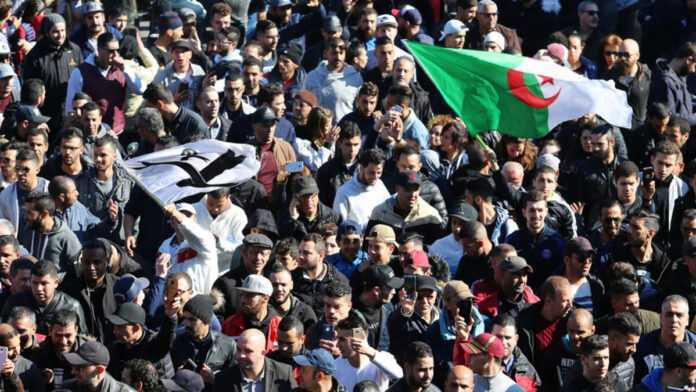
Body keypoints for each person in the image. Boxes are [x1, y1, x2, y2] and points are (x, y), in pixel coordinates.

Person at [65, 32, 144, 134]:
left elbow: (140, 89)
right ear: (99, 50)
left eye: (117, 50)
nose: (115, 55)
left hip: (118, 131)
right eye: (111, 51)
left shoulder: (122, 68)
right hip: (92, 133)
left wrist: (125, 68)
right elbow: (70, 108)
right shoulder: (80, 72)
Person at [22, 13, 81, 132]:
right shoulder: (35, 56)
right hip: (47, 114)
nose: (60, 35)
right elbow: (31, 90)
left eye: (63, 30)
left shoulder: (74, 50)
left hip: (71, 112)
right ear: (47, 32)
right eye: (55, 31)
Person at [2, 261, 87, 335]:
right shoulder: (16, 302)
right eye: (35, 283)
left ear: (56, 283)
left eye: (44, 283)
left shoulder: (71, 306)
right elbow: (3, 331)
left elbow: (82, 337)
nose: (39, 288)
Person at [170, 295, 236, 387]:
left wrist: (214, 380)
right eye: (185, 318)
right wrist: (176, 376)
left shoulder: (227, 345)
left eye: (192, 319)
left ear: (207, 321)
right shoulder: (176, 341)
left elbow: (234, 383)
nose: (186, 323)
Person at [505, 191, 566, 289]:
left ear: (546, 212)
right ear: (524, 212)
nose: (536, 215)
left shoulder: (557, 242)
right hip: (520, 295)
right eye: (532, 210)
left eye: (540, 210)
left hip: (547, 297)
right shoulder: (513, 240)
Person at [106, 301, 176, 380]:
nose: (115, 331)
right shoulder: (117, 347)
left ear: (136, 328)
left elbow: (166, 336)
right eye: (114, 326)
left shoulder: (154, 344)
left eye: (120, 327)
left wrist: (170, 317)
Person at [334, 311, 402, 391]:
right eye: (337, 339)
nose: (337, 345)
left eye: (342, 340)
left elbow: (399, 376)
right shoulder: (335, 366)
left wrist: (369, 351)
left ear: (359, 338)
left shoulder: (382, 359)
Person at [159, 203, 218, 295]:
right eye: (181, 214)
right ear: (171, 221)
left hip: (198, 299)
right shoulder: (165, 245)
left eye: (188, 216)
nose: (183, 218)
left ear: (195, 219)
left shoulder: (206, 238)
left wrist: (176, 213)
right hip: (172, 299)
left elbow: (194, 232)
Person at [634, 295, 696, 381]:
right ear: (661, 318)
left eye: (679, 315)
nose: (674, 320)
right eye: (669, 315)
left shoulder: (695, 346)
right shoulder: (642, 347)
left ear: (687, 320)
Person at [213, 328, 296, 392]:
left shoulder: (283, 374)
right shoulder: (223, 379)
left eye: (248, 351)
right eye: (238, 349)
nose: (241, 355)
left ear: (263, 353)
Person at [305, 36, 363, 123]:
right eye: (334, 53)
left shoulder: (355, 77)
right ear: (325, 53)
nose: (338, 57)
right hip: (317, 130)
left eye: (341, 53)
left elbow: (360, 107)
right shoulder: (313, 76)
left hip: (344, 130)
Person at [516, 276, 573, 365]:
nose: (570, 305)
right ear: (548, 301)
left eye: (571, 300)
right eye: (565, 301)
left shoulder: (573, 320)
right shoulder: (524, 322)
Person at [213, 233, 273, 316]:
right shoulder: (225, 283)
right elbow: (217, 318)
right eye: (254, 252)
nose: (258, 258)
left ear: (269, 256)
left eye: (263, 253)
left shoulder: (272, 281)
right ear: (244, 253)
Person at [333, 148, 390, 233]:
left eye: (379, 173)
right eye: (371, 173)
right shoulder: (344, 192)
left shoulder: (380, 185)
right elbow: (341, 225)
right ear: (361, 168)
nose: (375, 177)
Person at [292, 233, 349, 316]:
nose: (300, 256)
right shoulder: (292, 278)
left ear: (321, 255)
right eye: (299, 252)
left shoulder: (338, 280)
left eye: (306, 253)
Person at [192, 188, 247, 273]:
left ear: (228, 197)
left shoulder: (238, 215)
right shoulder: (194, 209)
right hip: (194, 267)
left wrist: (219, 242)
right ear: (207, 195)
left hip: (221, 270)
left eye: (219, 205)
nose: (215, 209)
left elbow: (240, 247)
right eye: (211, 204)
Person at [221, 274, 282, 351]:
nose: (243, 300)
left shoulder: (279, 326)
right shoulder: (230, 324)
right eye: (242, 295)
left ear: (265, 298)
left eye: (250, 296)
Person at [141, 82, 208, 144]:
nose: (149, 111)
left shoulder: (195, 125)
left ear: (159, 104)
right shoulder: (159, 123)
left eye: (149, 107)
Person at [279, 176, 340, 242]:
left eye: (313, 196)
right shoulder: (287, 218)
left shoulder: (332, 216)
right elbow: (284, 241)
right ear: (296, 199)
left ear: (318, 195)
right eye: (304, 197)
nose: (309, 201)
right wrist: (293, 220)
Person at [649, 41, 696, 126]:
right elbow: (670, 117)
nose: (693, 70)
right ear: (689, 60)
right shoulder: (665, 81)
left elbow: (683, 102)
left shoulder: (680, 77)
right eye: (695, 66)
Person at [490, 314, 541, 391]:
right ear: (490, 336)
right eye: (498, 337)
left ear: (516, 339)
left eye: (508, 338)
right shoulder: (477, 364)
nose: (503, 342)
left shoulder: (529, 372)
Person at [62, 340, 135, 391]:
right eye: (73, 366)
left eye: (79, 368)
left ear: (99, 370)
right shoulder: (66, 388)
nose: (73, 371)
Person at [268, 264, 317, 329]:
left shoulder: (305, 313)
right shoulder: (263, 310)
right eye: (274, 285)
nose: (279, 289)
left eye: (283, 285)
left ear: (291, 285)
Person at [0, 323, 44, 392]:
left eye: (18, 345)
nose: (17, 352)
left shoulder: (28, 367)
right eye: (10, 349)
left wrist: (12, 377)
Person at [607, 312, 641, 389]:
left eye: (635, 344)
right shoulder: (592, 363)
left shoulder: (629, 363)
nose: (634, 350)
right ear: (613, 340)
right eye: (629, 344)